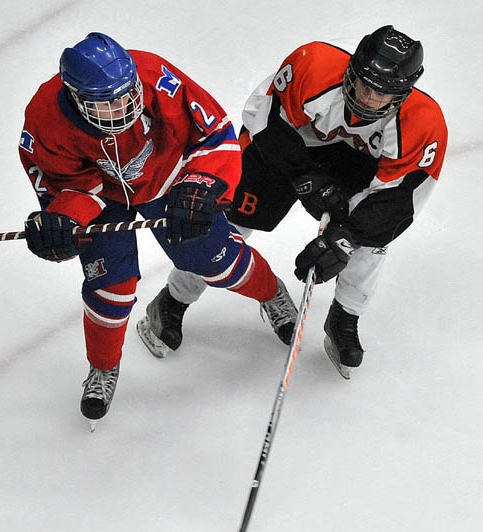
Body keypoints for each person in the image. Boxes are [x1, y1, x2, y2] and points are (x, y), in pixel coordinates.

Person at [19, 32, 298, 428]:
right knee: (108, 285)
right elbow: (63, 188)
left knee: (216, 261)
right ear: (78, 99)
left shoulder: (154, 76)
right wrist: (60, 223)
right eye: (108, 102)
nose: (125, 106)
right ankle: (102, 367)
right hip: (103, 197)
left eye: (126, 94)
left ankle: (272, 294)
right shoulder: (45, 121)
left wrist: (201, 187)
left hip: (169, 179)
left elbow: (215, 133)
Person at [142, 25, 447, 379]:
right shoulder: (314, 64)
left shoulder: (424, 125)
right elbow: (261, 117)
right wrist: (304, 176)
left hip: (358, 169)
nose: (365, 98)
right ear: (353, 68)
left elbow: (399, 201)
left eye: (380, 94)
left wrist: (344, 237)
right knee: (227, 223)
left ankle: (343, 319)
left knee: (368, 245)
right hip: (287, 150)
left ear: (403, 93)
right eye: (363, 84)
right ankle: (173, 299)